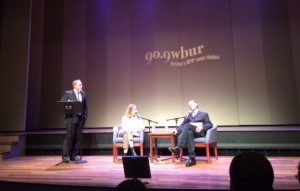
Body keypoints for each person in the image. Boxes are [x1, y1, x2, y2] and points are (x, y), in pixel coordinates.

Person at [168, 99, 213, 167]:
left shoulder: (204, 114)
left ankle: (178, 148)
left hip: (199, 132)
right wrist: (177, 130)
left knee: (188, 125)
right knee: (189, 133)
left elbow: (210, 124)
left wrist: (202, 127)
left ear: (196, 104)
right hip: (191, 133)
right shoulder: (189, 115)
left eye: (191, 104)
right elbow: (183, 124)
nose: (190, 106)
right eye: (189, 105)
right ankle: (192, 159)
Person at [61, 79, 88, 164]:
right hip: (71, 119)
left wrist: (85, 117)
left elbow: (85, 107)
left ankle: (74, 156)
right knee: (69, 137)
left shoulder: (83, 94)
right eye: (79, 85)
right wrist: (69, 104)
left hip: (80, 120)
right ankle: (65, 156)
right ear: (74, 85)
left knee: (78, 138)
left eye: (81, 85)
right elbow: (62, 105)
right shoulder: (68, 93)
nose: (81, 86)